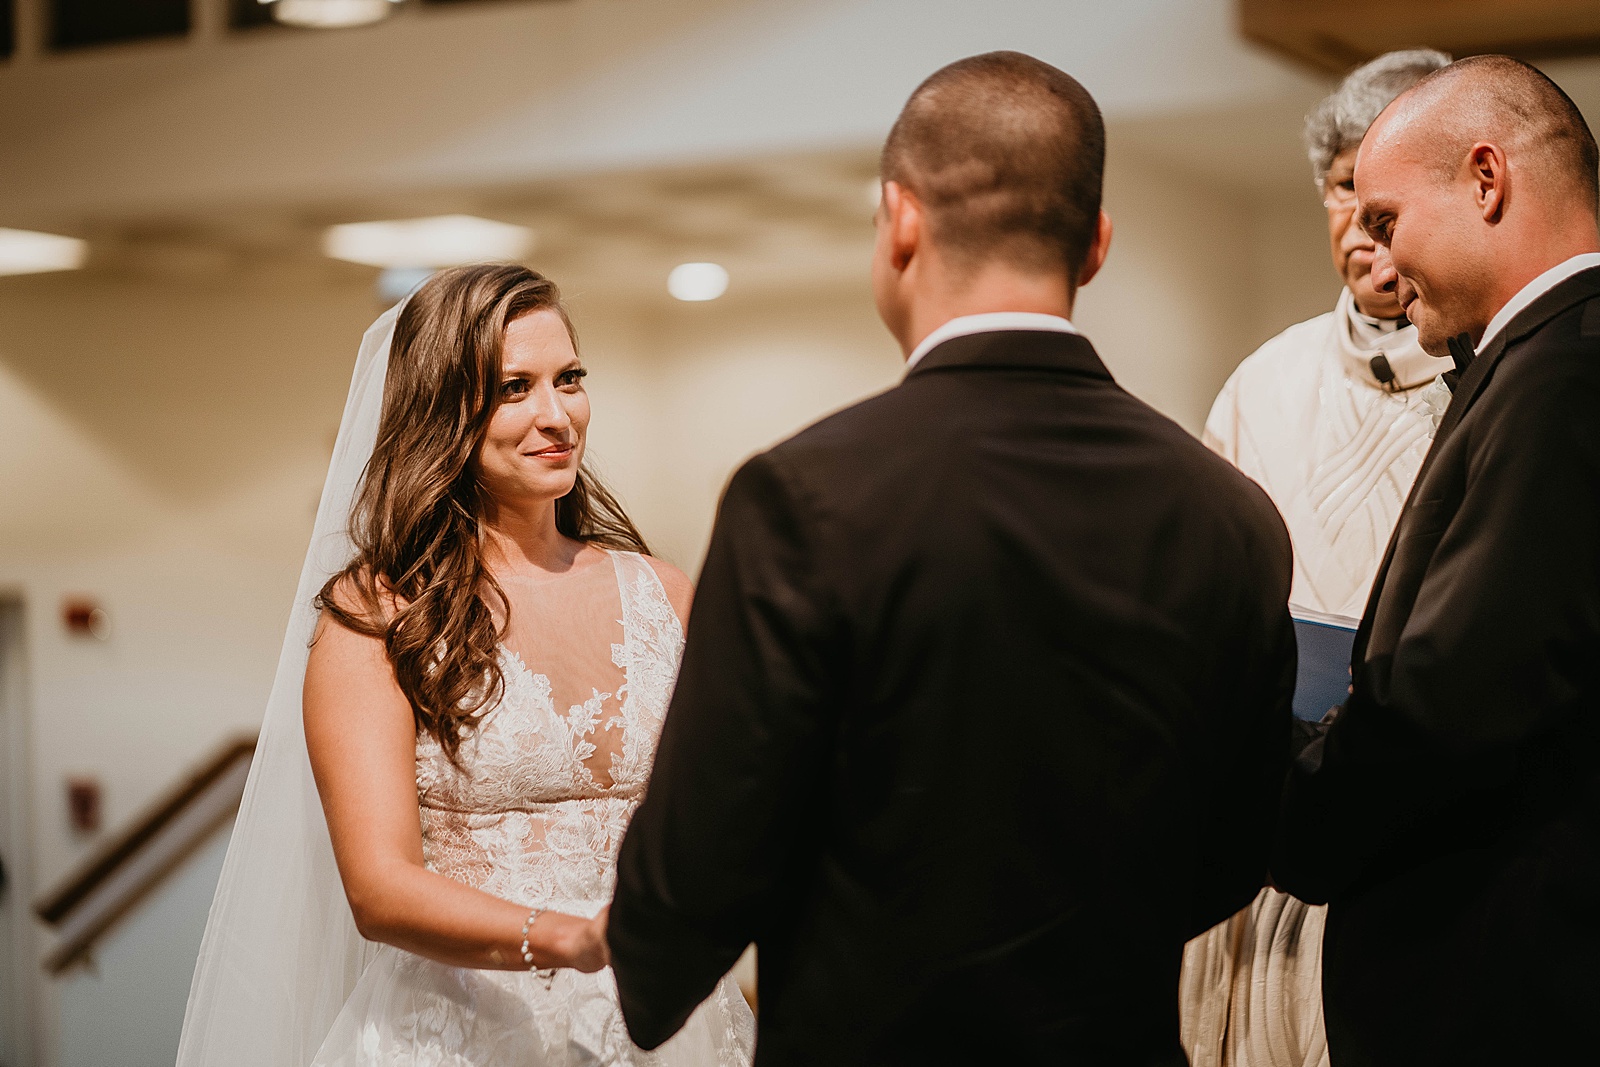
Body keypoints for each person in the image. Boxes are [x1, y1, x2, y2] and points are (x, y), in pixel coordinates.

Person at [605, 52, 1297, 1066]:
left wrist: (655, 963)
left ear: (899, 221)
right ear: (1095, 245)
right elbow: (1241, 842)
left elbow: (698, 866)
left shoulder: (803, 497)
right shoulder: (1230, 514)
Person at [177, 265, 754, 1066]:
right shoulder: (379, 615)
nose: (557, 415)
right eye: (514, 388)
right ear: (445, 412)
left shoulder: (663, 593)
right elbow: (378, 887)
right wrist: (572, 938)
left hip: (667, 1024)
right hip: (470, 1030)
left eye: (570, 379)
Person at [1275, 55, 1600, 1066]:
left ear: (1486, 179)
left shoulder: (1564, 374)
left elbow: (1450, 696)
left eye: (1383, 217)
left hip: (1505, 983)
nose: (1368, 251)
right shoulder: (1537, 358)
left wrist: (1279, 801)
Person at [1181, 49, 1452, 1067]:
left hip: (1415, 832)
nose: (1361, 222)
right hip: (1266, 824)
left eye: (1386, 195)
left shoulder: (1501, 377)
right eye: (1342, 187)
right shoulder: (1264, 380)